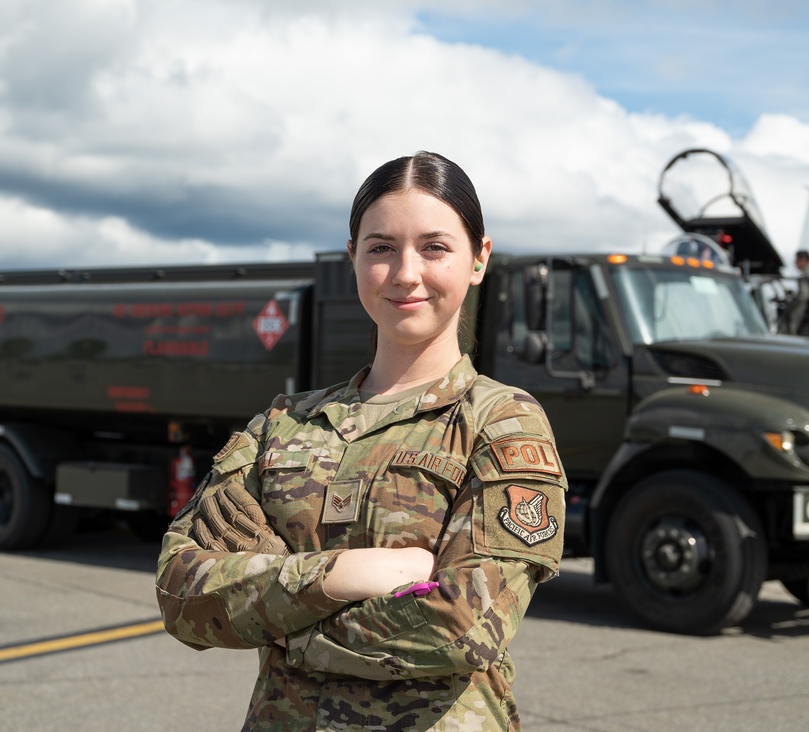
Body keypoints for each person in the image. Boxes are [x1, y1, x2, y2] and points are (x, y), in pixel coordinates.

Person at [155, 150, 567, 731]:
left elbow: (466, 628)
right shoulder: (281, 425)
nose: (405, 272)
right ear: (353, 259)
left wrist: (278, 614)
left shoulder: (498, 422)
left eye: (434, 247)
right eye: (380, 247)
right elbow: (179, 594)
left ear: (479, 259)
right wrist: (342, 574)